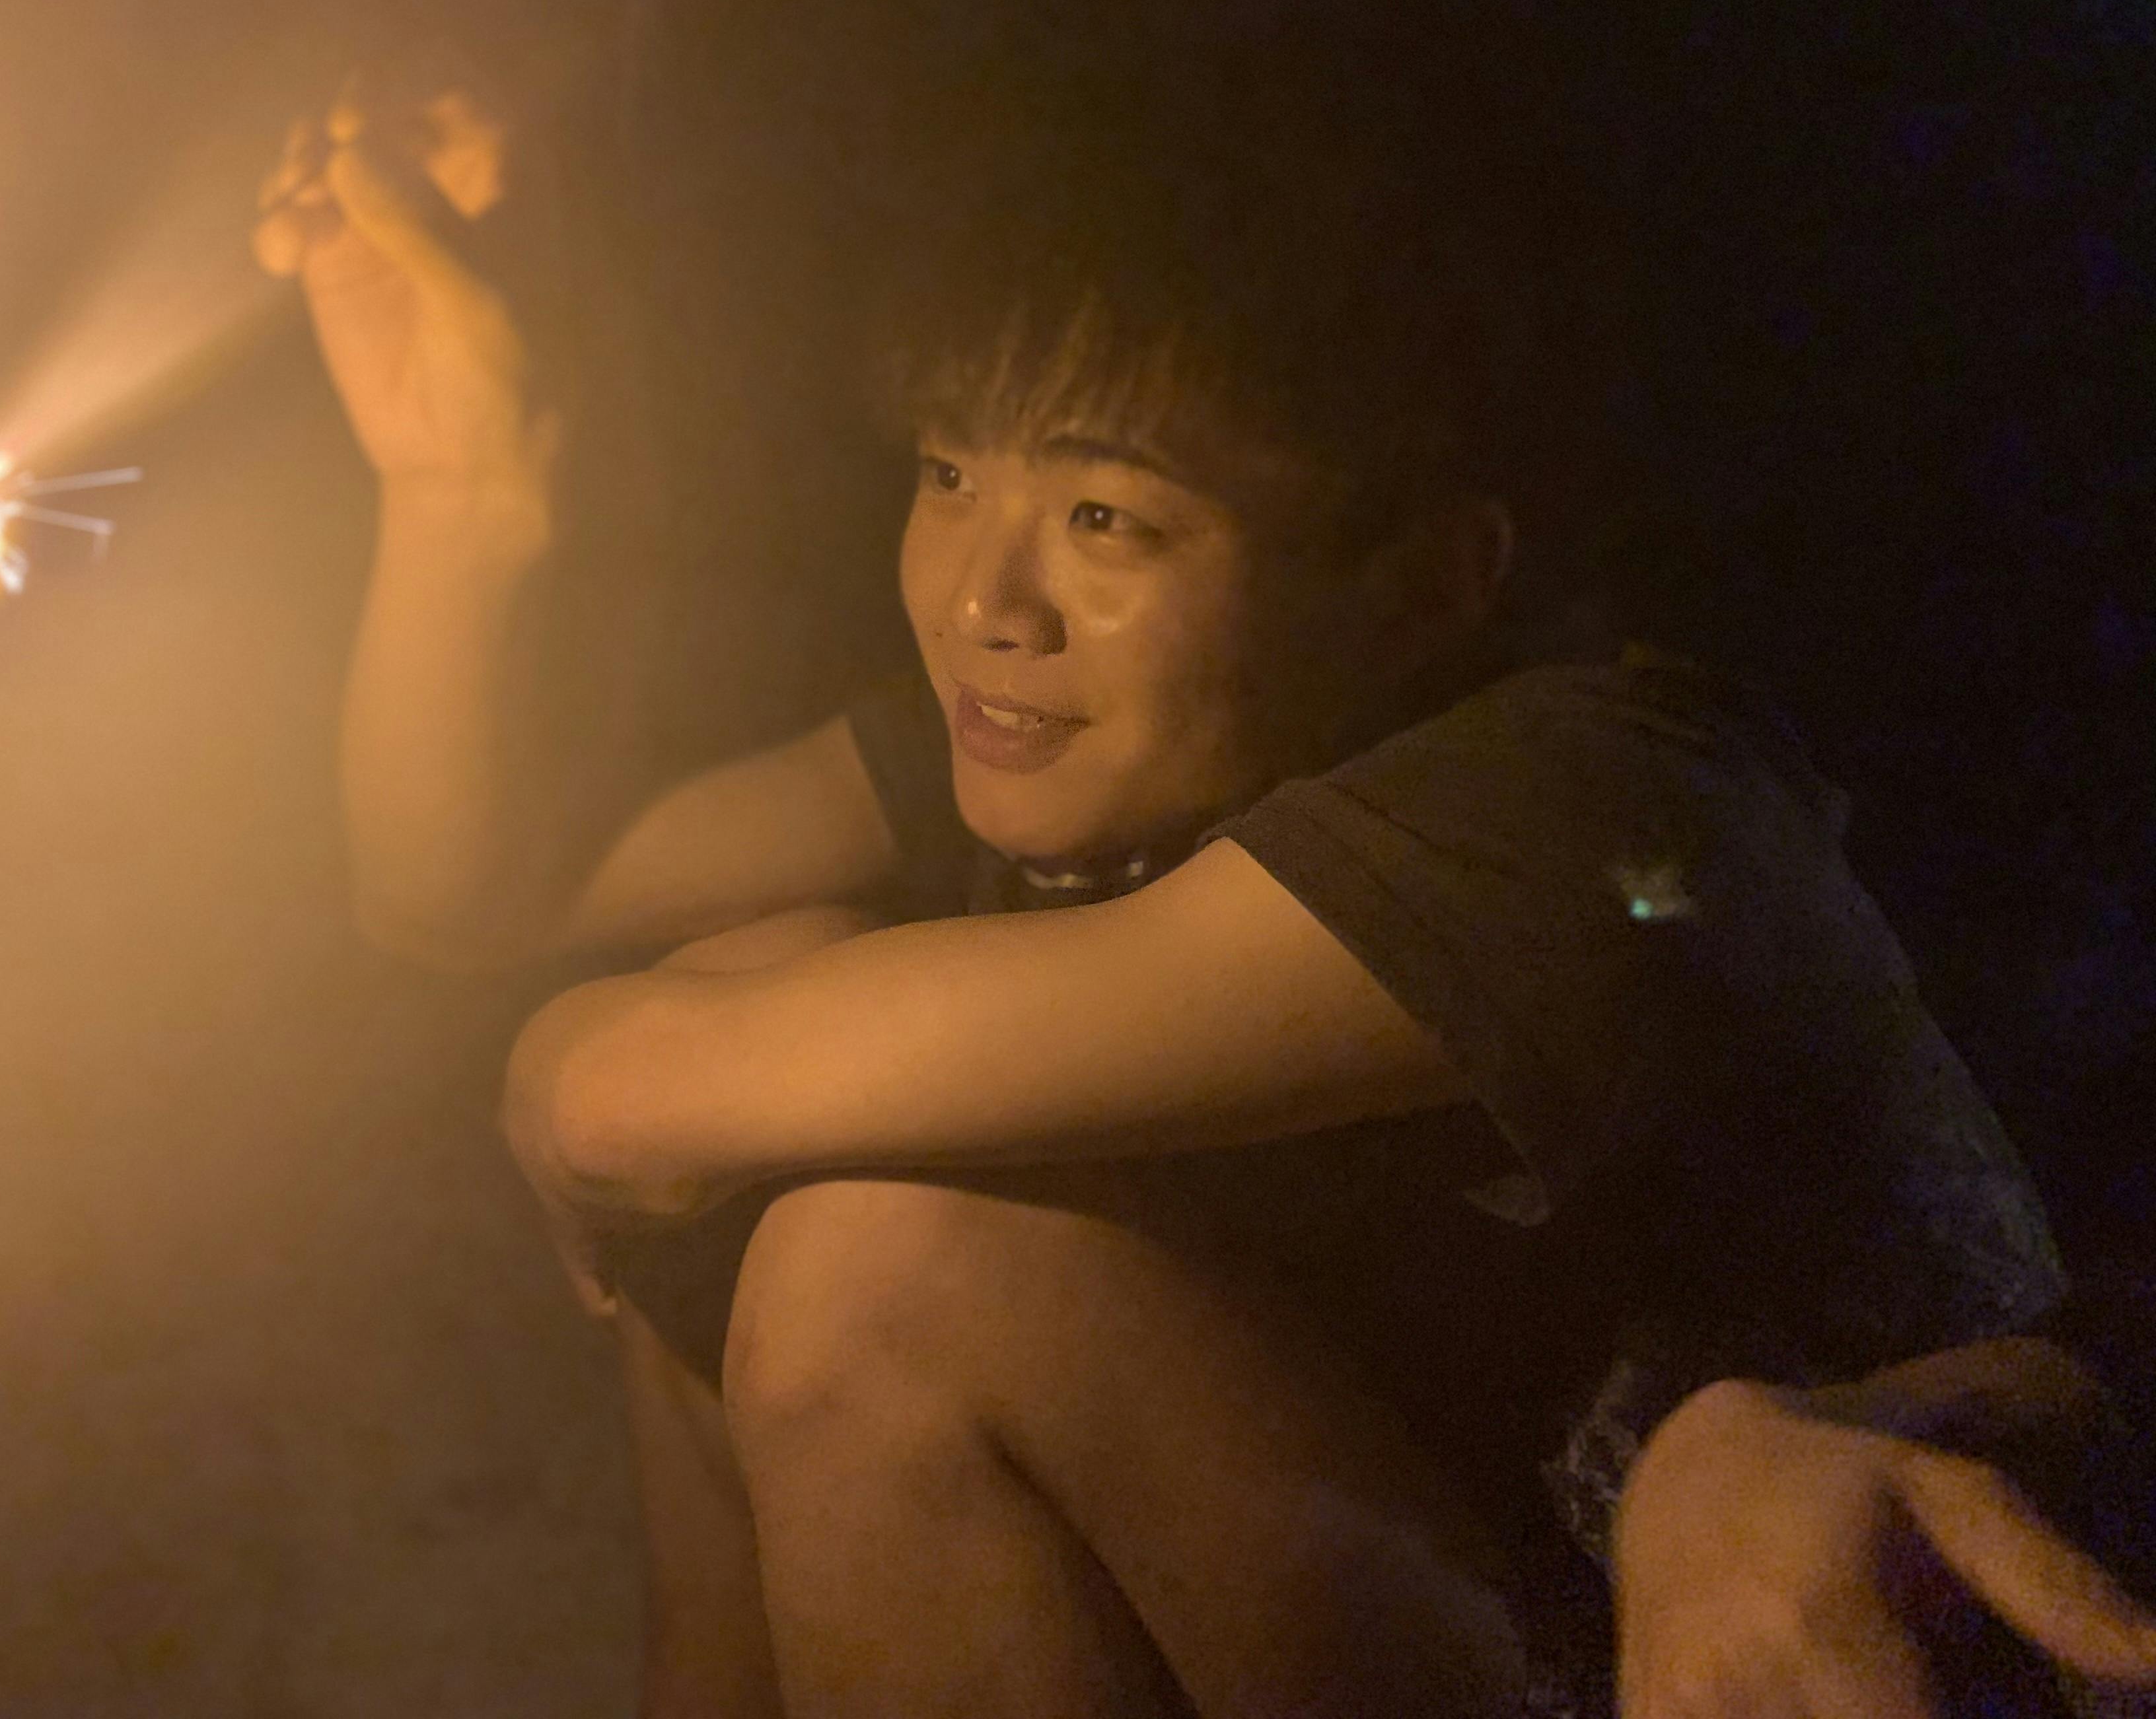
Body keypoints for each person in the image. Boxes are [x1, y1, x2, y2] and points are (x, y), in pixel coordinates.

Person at [257, 94, 2145, 1716]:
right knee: (775, 1097)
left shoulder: (1603, 807)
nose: (983, 601)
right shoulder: (1098, 736)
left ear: (1424, 584)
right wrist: (463, 493)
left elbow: (625, 1089)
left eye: (1111, 519)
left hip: (1817, 1647)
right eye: (948, 474)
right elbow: (470, 895)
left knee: (879, 1252)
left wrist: (592, 1062)